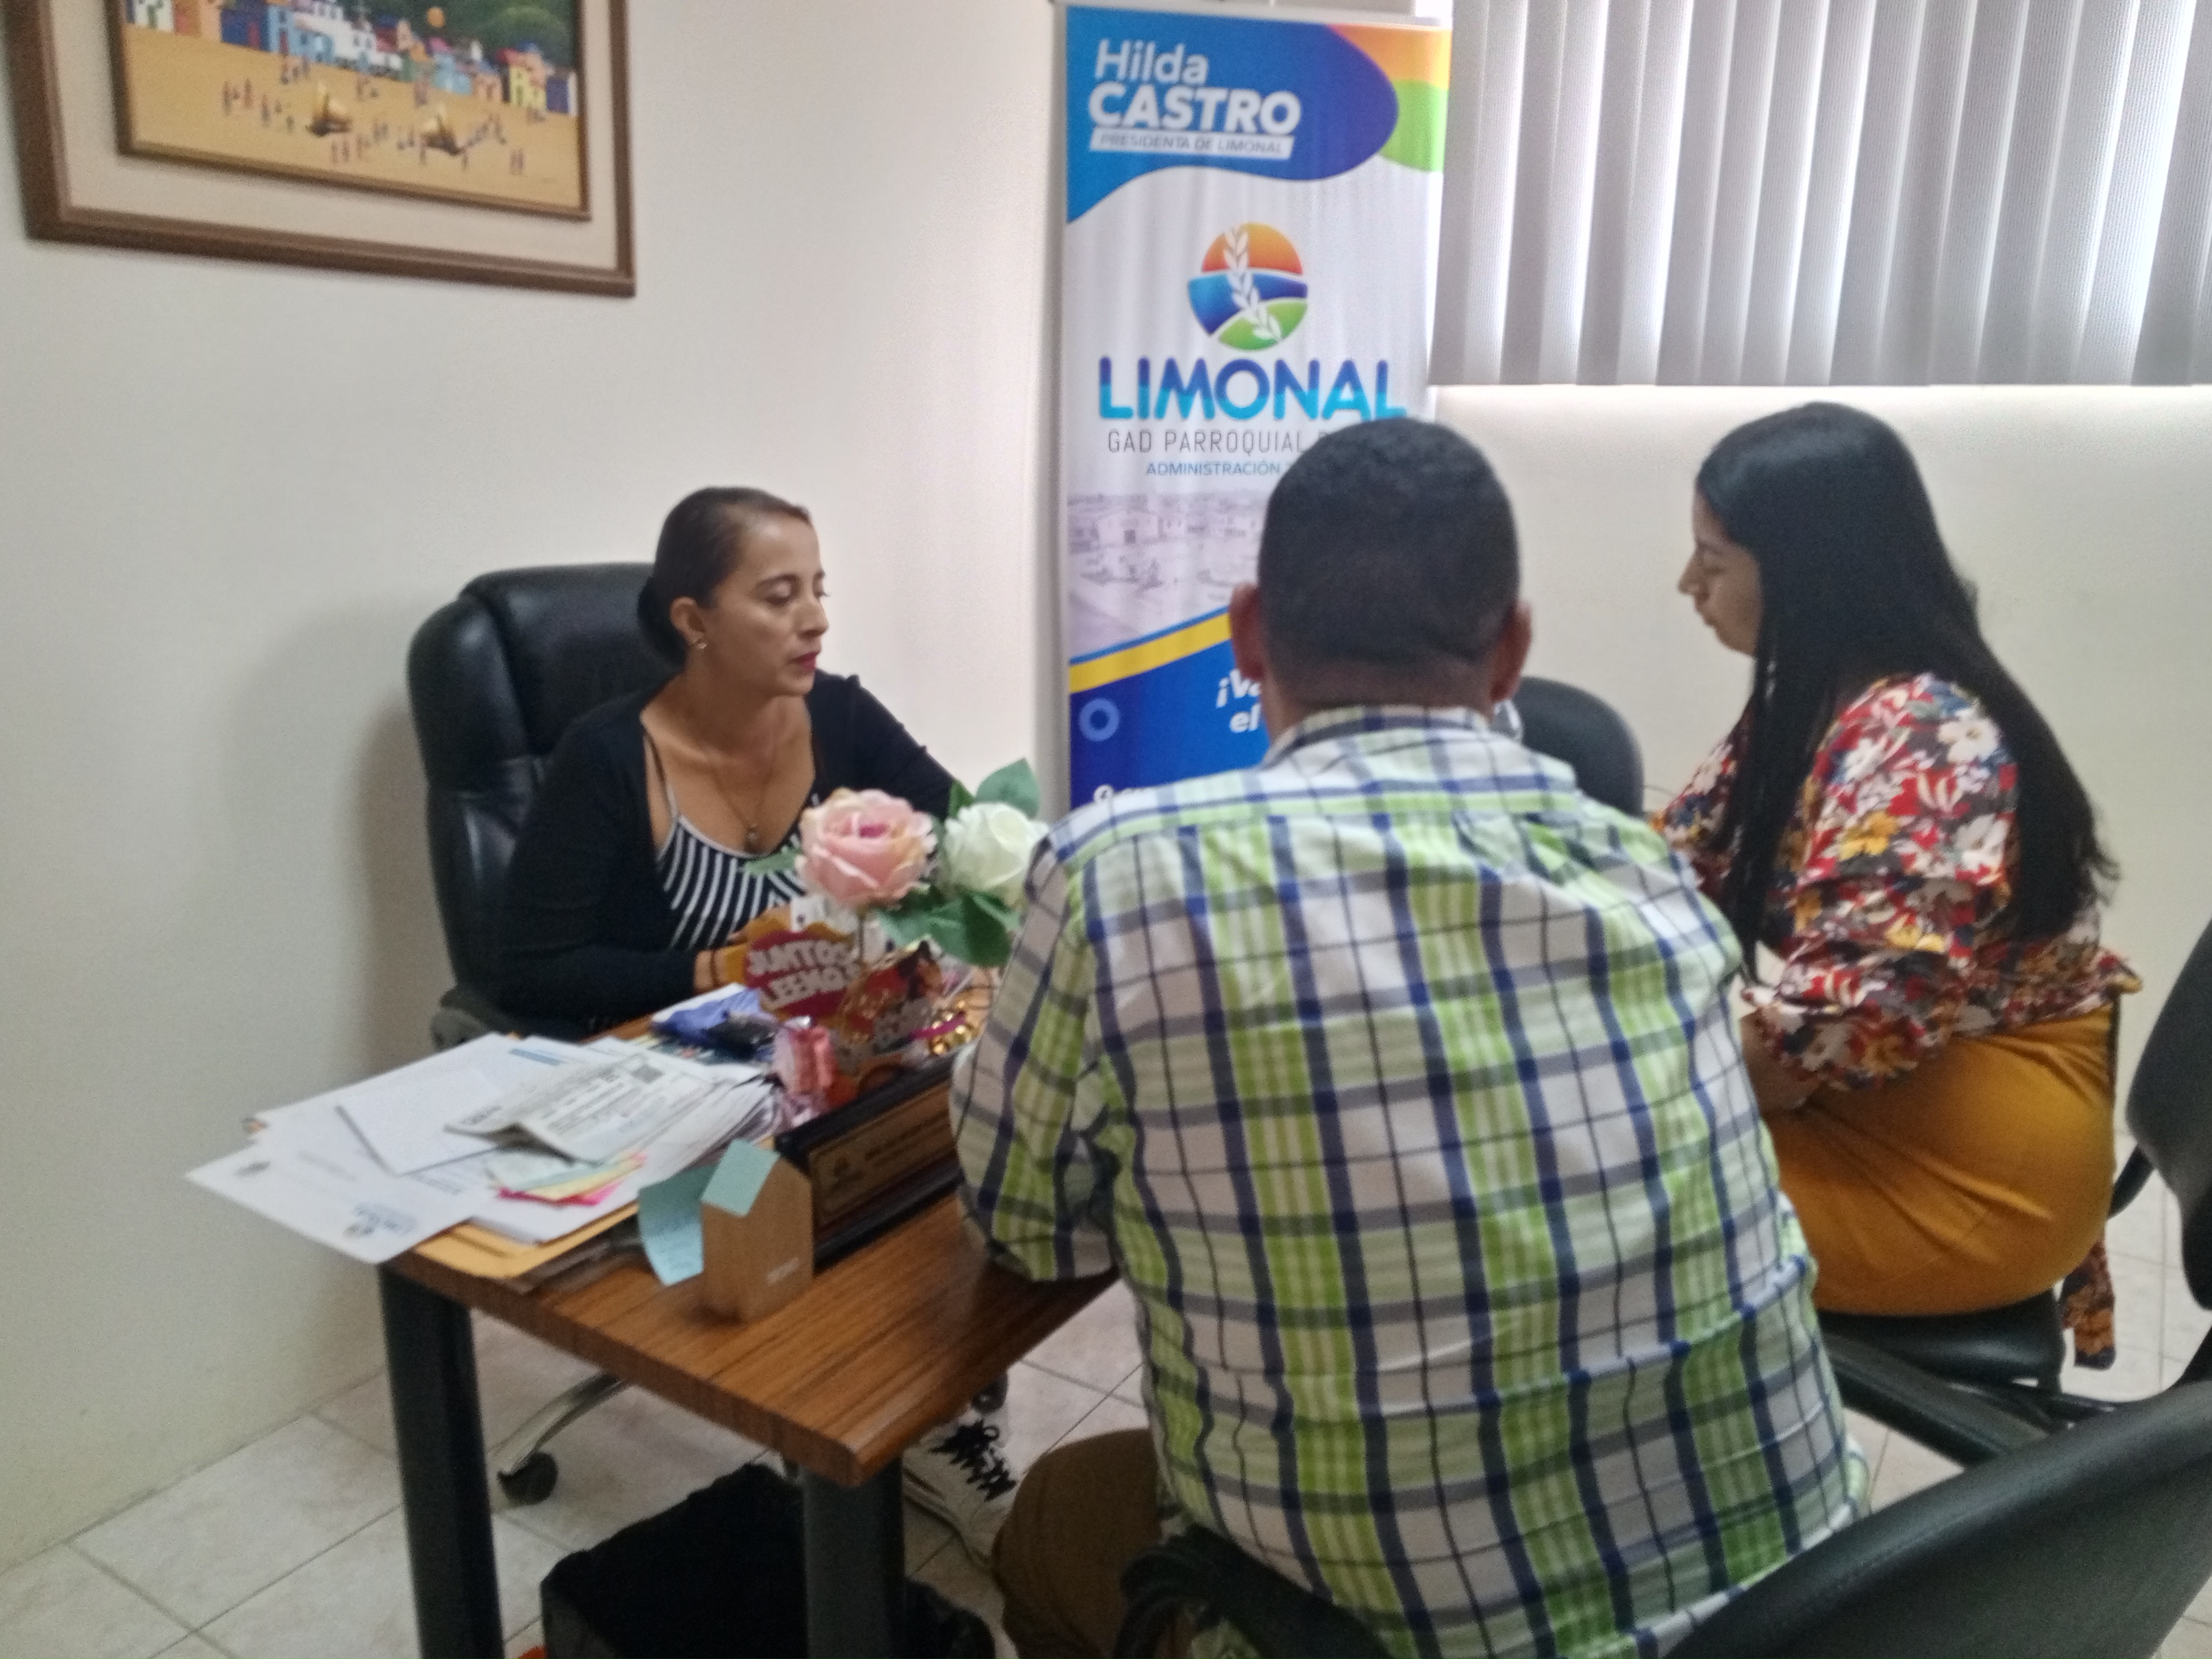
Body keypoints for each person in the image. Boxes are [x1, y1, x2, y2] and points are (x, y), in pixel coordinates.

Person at [956, 420, 1859, 1659]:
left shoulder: (1120, 874)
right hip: (1804, 1617)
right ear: (1511, 652)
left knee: (1053, 1515)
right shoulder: (1641, 865)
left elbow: (1025, 1226)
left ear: (1244, 633)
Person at [1662, 403, 2135, 1329]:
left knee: (1582, 1184)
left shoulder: (1919, 733)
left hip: (1967, 1172)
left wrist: (1645, 1073)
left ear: (1803, 572)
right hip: (1888, 1099)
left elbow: (1851, 1022)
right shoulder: (1812, 698)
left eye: (1711, 561)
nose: (1688, 584)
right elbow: (1682, 857)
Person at [497, 487, 955, 1031]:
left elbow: (964, 843)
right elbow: (531, 971)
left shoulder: (842, 715)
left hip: (830, 1042)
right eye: (780, 598)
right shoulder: (606, 757)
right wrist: (726, 967)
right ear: (694, 622)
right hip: (670, 1057)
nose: (817, 621)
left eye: (818, 591)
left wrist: (859, 914)